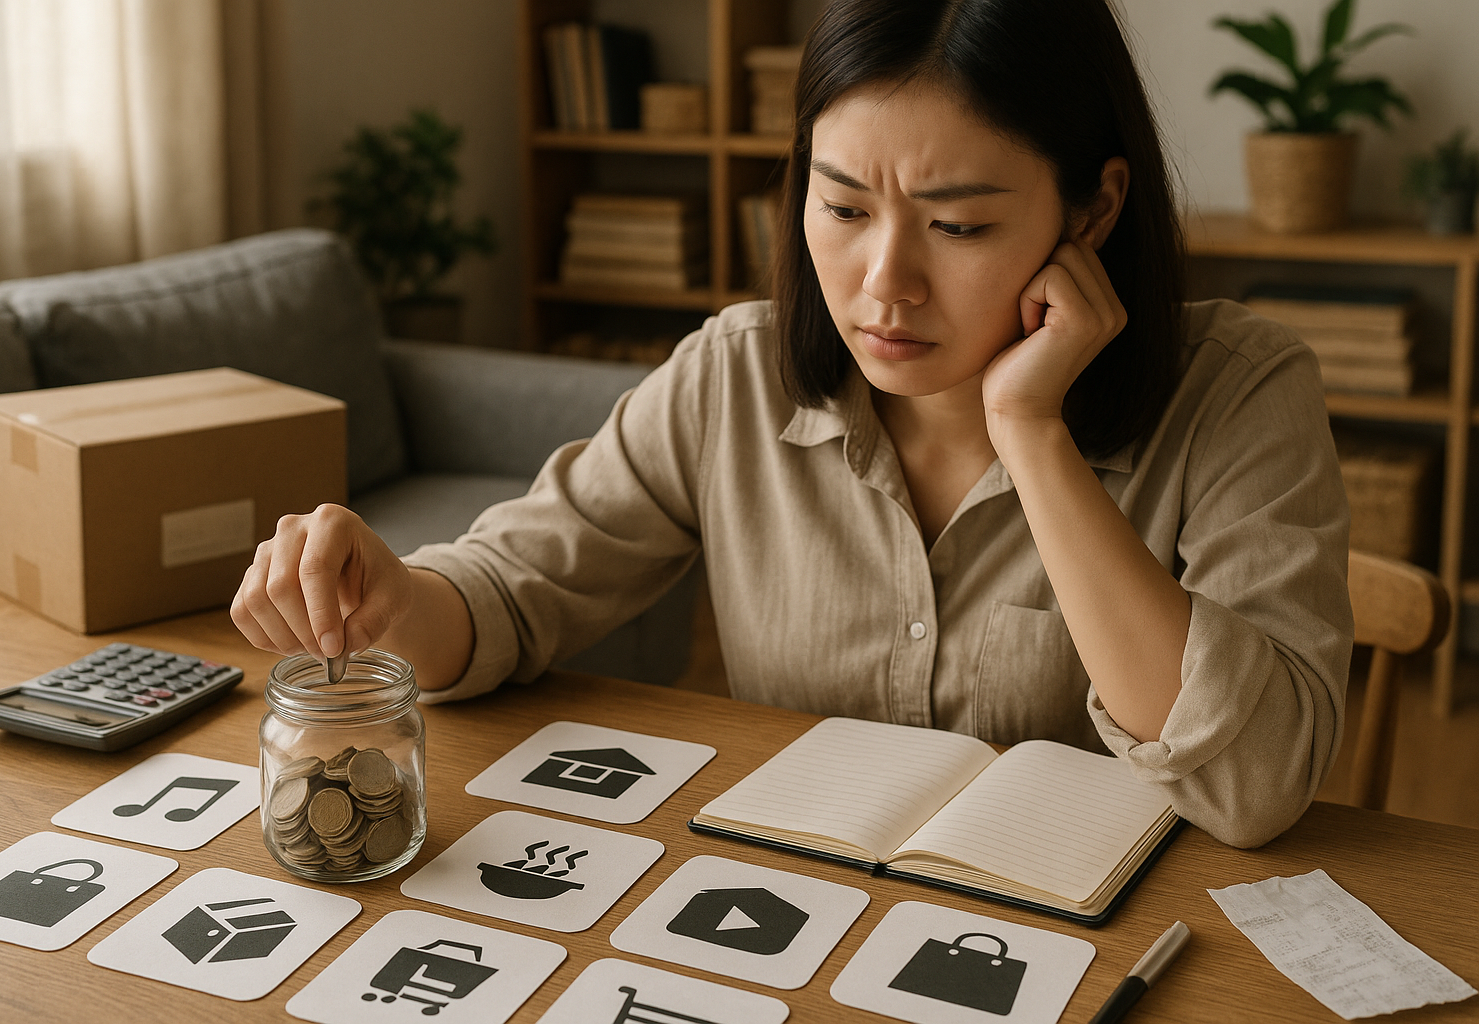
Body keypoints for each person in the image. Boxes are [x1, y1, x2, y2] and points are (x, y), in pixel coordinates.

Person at [232, 0, 1352, 848]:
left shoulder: (1243, 391)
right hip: (793, 928)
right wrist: (392, 598)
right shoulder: (735, 373)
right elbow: (513, 592)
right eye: (844, 207)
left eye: (957, 225)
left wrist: (1032, 431)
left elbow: (1253, 784)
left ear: (1094, 207)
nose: (882, 285)